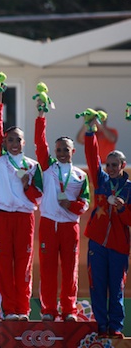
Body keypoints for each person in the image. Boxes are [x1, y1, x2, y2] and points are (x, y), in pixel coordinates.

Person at [34, 101, 89, 322]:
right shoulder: (47, 168)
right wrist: (40, 115)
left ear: (73, 151)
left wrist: (71, 206)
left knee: (69, 270)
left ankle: (68, 310)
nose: (62, 153)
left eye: (66, 149)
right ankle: (48, 310)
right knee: (47, 270)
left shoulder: (79, 175)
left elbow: (85, 202)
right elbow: (39, 143)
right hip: (49, 223)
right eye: (58, 150)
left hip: (69, 226)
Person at [0, 91, 43, 321]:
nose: (14, 143)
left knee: (24, 265)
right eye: (10, 140)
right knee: (5, 265)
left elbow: (38, 197)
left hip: (24, 218)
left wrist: (27, 186)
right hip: (2, 217)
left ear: (24, 142)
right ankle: (7, 309)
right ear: (4, 142)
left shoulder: (33, 166)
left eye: (18, 140)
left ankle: (23, 309)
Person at [83, 120, 131, 339]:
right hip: (97, 243)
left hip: (119, 246)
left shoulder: (129, 189)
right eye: (108, 165)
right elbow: (92, 158)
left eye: (114, 165)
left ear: (123, 165)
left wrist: (122, 210)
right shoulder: (100, 180)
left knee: (117, 288)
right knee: (98, 286)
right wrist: (90, 132)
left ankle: (116, 327)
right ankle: (101, 327)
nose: (110, 168)